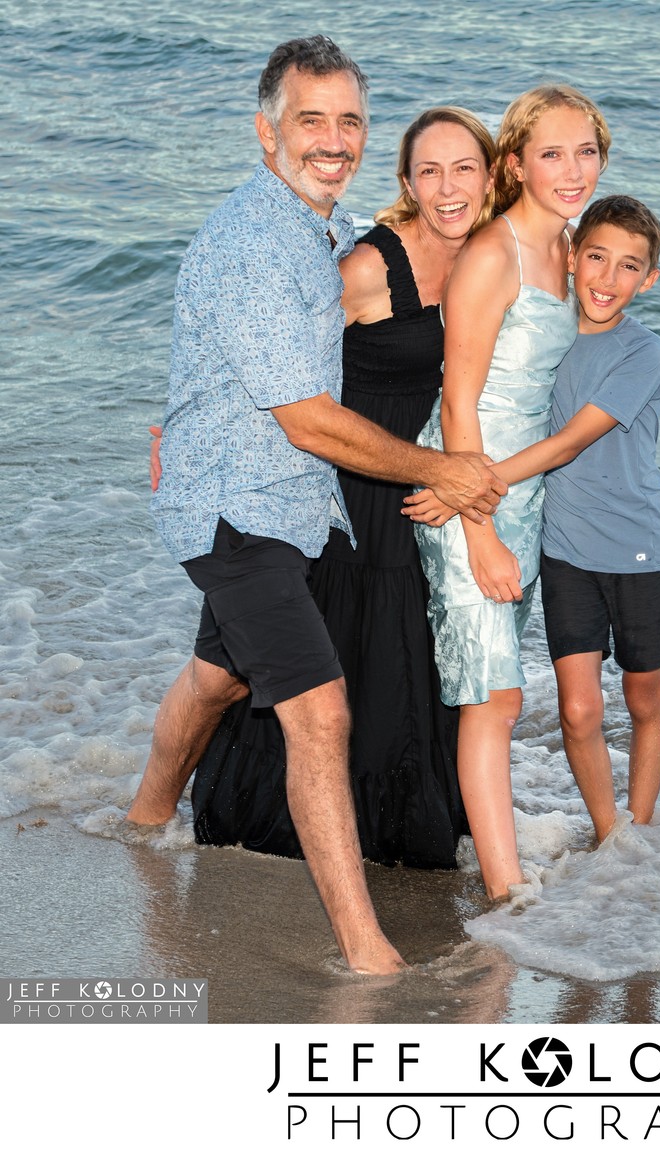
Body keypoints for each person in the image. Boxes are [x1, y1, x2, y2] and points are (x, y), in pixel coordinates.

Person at [126, 37, 506, 976]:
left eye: (348, 122)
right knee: (318, 713)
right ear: (267, 133)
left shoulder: (317, 232)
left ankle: (140, 819)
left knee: (219, 677)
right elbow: (307, 420)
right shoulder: (261, 240)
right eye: (311, 120)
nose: (333, 140)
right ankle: (366, 950)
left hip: (288, 505)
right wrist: (446, 470)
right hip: (239, 509)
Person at [190, 107, 497, 869]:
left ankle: (399, 829)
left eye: (465, 168)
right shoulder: (369, 266)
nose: (447, 187)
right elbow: (274, 359)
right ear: (406, 183)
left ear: (493, 177)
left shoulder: (496, 257)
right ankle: (287, 831)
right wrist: (194, 424)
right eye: (429, 171)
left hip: (418, 484)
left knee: (400, 661)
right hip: (350, 486)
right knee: (303, 669)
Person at [413, 196, 660, 842]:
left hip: (638, 548)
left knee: (644, 699)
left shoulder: (643, 354)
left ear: (649, 279)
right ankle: (611, 832)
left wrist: (466, 483)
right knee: (580, 709)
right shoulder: (553, 335)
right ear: (572, 256)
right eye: (596, 259)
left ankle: (640, 825)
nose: (607, 280)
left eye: (628, 268)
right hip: (563, 550)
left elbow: (569, 443)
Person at [411, 85, 611, 900]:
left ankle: (492, 863)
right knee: (492, 696)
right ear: (517, 164)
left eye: (586, 152)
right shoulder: (493, 254)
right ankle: (506, 890)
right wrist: (476, 529)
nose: (571, 170)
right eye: (552, 153)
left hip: (522, 491)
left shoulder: (569, 250)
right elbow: (459, 399)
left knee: (491, 688)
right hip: (471, 487)